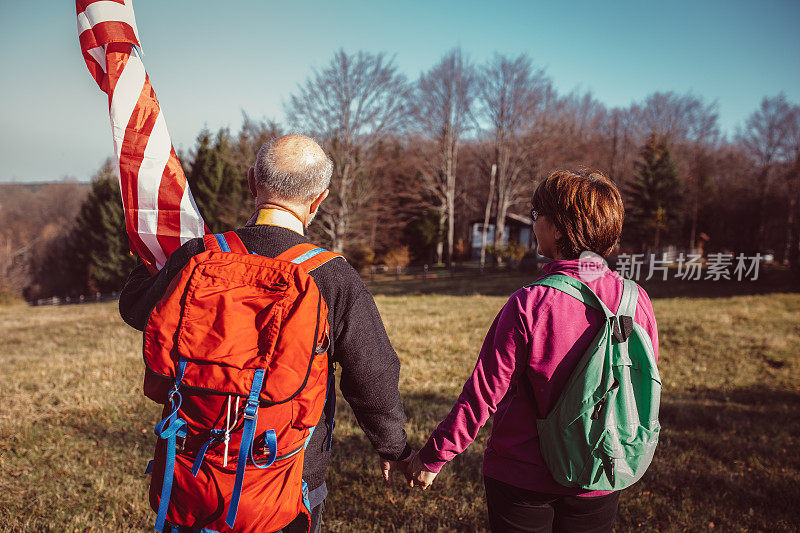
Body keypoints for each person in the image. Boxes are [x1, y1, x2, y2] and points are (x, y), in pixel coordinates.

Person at [119, 134, 413, 533]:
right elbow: (371, 372)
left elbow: (137, 309)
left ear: (252, 181)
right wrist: (392, 445)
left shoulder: (198, 256)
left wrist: (156, 254)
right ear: (319, 200)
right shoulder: (332, 276)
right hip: (287, 479)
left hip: (194, 468)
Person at [408, 169, 659, 532]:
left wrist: (434, 457)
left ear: (558, 228)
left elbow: (482, 393)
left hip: (522, 475)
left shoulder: (533, 302)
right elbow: (642, 382)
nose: (534, 222)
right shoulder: (637, 300)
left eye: (537, 214)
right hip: (602, 466)